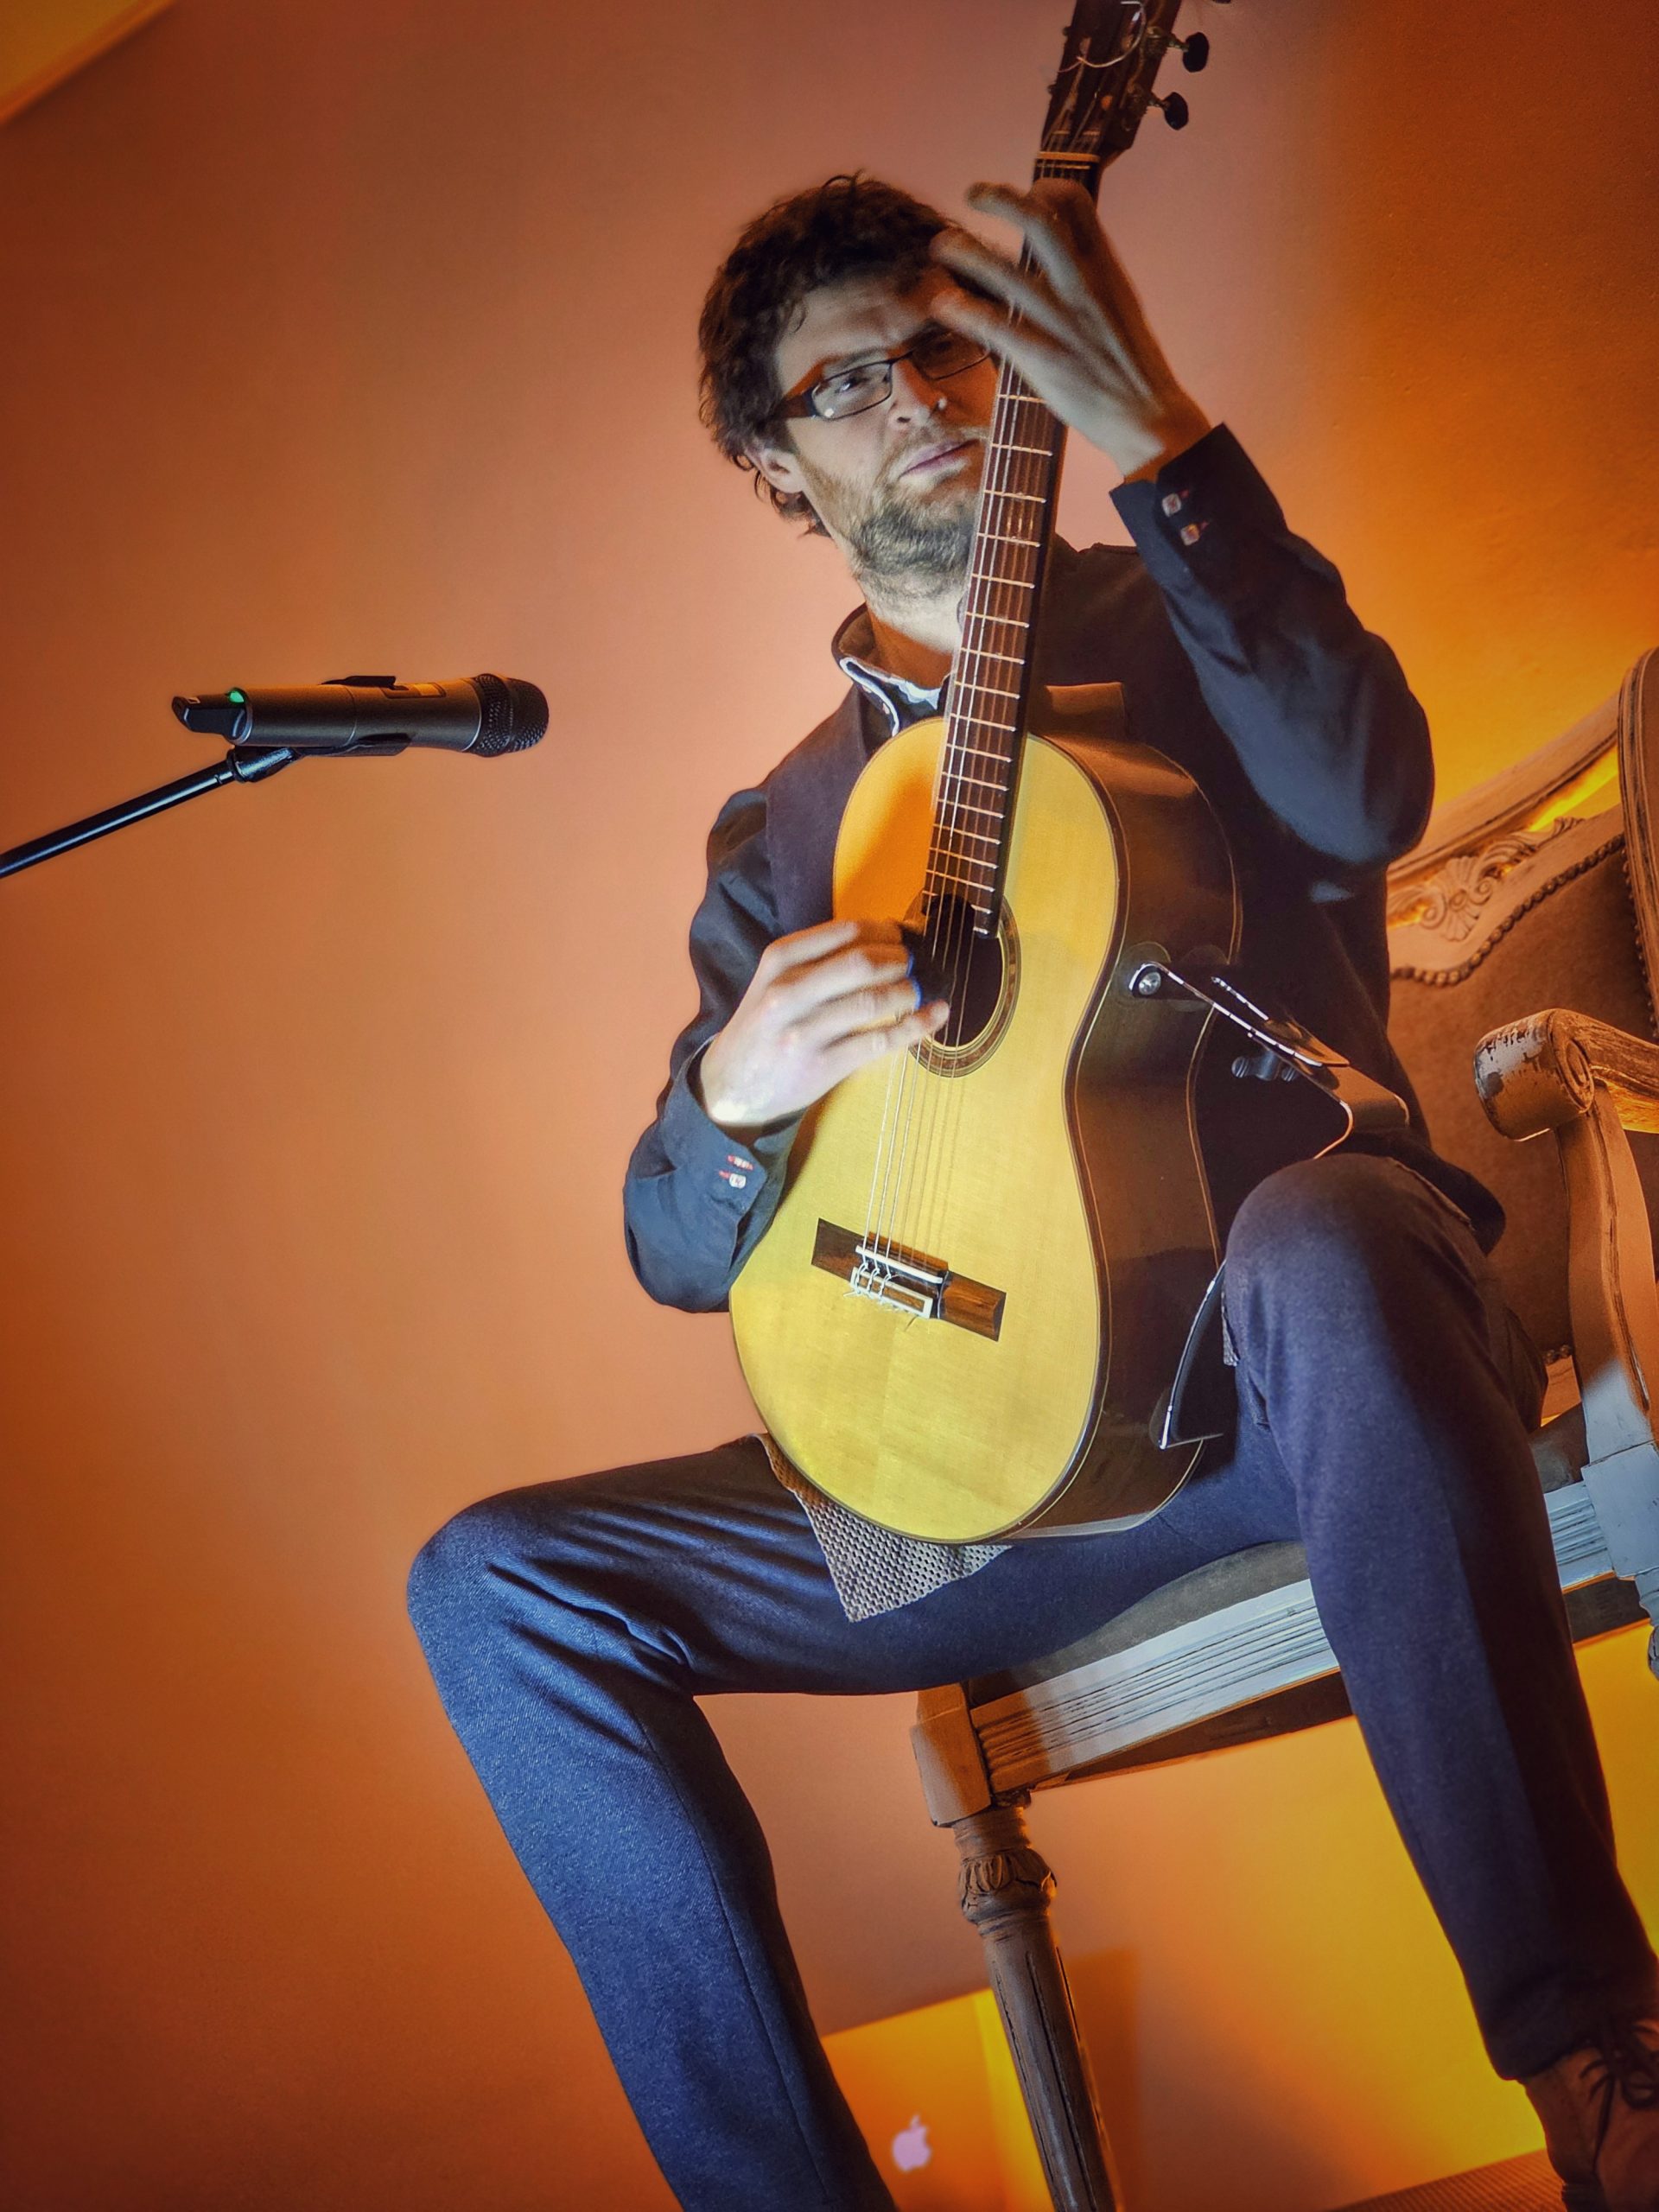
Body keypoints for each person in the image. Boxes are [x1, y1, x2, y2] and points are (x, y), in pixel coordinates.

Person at [408, 174, 1659, 2212]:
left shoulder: (1191, 610)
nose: (915, 398)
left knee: (1324, 1231)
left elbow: (1369, 792)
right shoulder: (781, 835)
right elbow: (668, 1242)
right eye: (844, 384)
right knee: (491, 1584)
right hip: (983, 1473)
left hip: (1300, 1385)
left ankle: (1597, 2061)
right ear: (774, 468)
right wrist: (735, 1092)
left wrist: (1159, 434)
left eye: (944, 344)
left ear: (1005, 365)